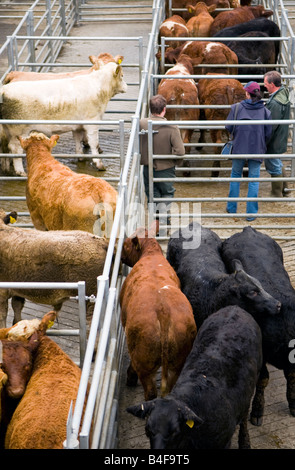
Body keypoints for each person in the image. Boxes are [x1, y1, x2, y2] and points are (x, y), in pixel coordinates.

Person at [226, 81, 272, 221]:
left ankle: (231, 208)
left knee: (235, 175)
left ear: (247, 93)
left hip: (239, 147)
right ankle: (251, 213)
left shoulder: (236, 108)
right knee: (253, 180)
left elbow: (228, 127)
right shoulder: (265, 111)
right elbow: (268, 132)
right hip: (256, 148)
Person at [139, 94, 185, 204]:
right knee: (167, 194)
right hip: (166, 168)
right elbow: (180, 151)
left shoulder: (141, 123)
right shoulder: (172, 127)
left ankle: (156, 219)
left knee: (152, 194)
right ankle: (164, 219)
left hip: (148, 166)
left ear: (150, 109)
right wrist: (174, 162)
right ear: (164, 109)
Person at [263, 71, 291, 197]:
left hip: (274, 139)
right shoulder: (283, 93)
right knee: (277, 162)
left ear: (272, 84)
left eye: (266, 83)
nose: (264, 86)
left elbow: (271, 126)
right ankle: (285, 189)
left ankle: (276, 193)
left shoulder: (275, 103)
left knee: (273, 164)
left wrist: (264, 139)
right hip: (280, 136)